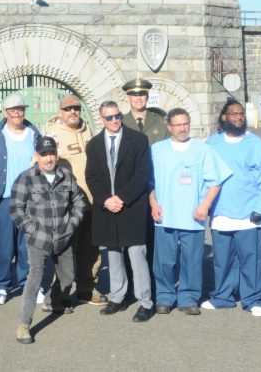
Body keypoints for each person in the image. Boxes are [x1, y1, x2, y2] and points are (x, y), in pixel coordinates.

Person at [148, 108, 231, 316]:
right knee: (164, 262)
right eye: (177, 124)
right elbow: (149, 183)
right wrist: (153, 204)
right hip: (165, 216)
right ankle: (165, 297)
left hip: (193, 217)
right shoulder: (157, 150)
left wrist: (205, 205)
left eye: (185, 123)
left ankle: (189, 298)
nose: (182, 128)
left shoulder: (202, 150)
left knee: (192, 262)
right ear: (169, 127)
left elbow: (216, 182)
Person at [10, 136, 87, 344]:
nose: (48, 158)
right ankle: (23, 324)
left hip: (64, 235)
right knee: (34, 277)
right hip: (38, 237)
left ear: (56, 155)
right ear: (36, 156)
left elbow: (79, 201)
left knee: (69, 275)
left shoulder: (66, 176)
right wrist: (31, 230)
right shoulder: (25, 178)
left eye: (51, 153)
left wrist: (72, 224)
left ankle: (51, 300)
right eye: (43, 154)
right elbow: (16, 208)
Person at [203, 99, 261, 317]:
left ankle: (254, 299)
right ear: (224, 117)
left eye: (241, 113)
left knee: (251, 260)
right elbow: (203, 174)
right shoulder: (212, 143)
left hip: (248, 214)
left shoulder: (256, 144)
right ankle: (223, 297)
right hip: (220, 213)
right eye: (233, 113)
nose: (238, 117)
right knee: (222, 260)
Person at [84, 100, 154, 323]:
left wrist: (121, 198)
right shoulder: (94, 144)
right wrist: (106, 200)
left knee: (136, 254)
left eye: (117, 116)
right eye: (109, 118)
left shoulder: (139, 140)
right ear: (101, 120)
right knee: (113, 255)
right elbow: (91, 177)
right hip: (107, 208)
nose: (114, 121)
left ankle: (145, 302)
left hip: (131, 206)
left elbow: (142, 175)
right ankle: (117, 297)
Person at [44, 94, 104, 306]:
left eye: (76, 109)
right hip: (68, 204)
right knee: (66, 251)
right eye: (68, 109)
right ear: (61, 113)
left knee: (91, 250)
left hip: (91, 201)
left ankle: (86, 289)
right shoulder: (53, 134)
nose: (73, 113)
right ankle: (58, 294)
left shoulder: (87, 129)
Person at [0, 93, 41, 305]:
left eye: (21, 110)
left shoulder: (34, 134)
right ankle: (1, 286)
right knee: (3, 245)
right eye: (13, 110)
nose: (18, 113)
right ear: (5, 113)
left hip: (29, 200)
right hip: (3, 199)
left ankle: (29, 284)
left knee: (27, 246)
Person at [120, 78, 167, 145]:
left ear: (147, 97)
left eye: (142, 95)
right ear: (128, 98)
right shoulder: (121, 123)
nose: (138, 98)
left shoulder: (160, 122)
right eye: (134, 95)